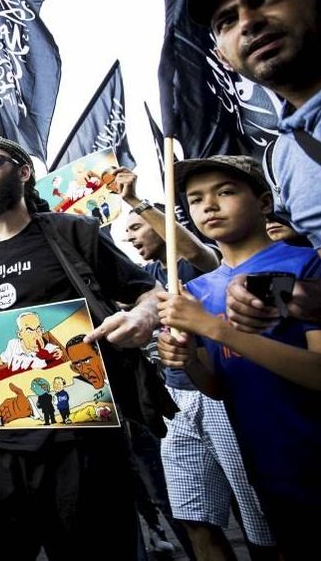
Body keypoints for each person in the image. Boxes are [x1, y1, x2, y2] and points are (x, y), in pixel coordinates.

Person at [0, 136, 169, 559]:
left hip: (81, 439)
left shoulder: (73, 233)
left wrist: (143, 317)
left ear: (24, 172)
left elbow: (151, 293)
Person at [157, 155, 321, 559]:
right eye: (195, 199)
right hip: (267, 465)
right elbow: (217, 386)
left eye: (225, 192)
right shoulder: (198, 290)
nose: (208, 206)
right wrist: (188, 361)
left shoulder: (303, 263)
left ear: (264, 202)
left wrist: (214, 328)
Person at [115, 167, 274, 557]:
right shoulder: (149, 277)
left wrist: (137, 202)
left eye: (137, 227)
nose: (131, 237)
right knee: (195, 517)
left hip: (219, 396)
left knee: (259, 521)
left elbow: (193, 251)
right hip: (176, 399)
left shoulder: (196, 266)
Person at [186, 0, 321, 327]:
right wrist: (293, 298)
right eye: (226, 21)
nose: (248, 22)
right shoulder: (286, 156)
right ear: (224, 58)